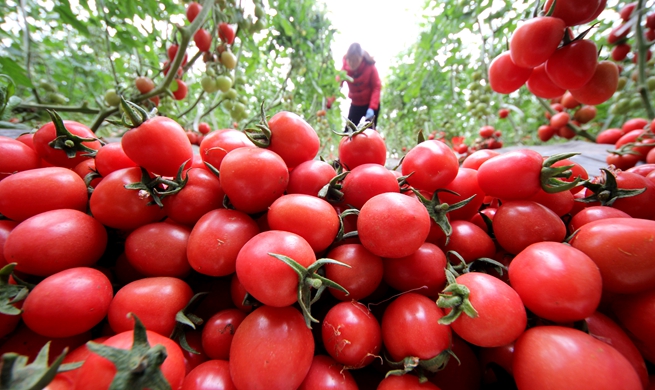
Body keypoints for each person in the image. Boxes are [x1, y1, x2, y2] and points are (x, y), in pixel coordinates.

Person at [342, 43, 381, 129]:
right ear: (347, 58)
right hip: (356, 104)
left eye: (355, 60)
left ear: (361, 58)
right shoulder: (344, 69)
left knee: (370, 132)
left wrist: (372, 108)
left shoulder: (370, 67)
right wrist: (329, 101)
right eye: (350, 60)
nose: (352, 63)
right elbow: (337, 85)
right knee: (348, 132)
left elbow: (376, 87)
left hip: (370, 104)